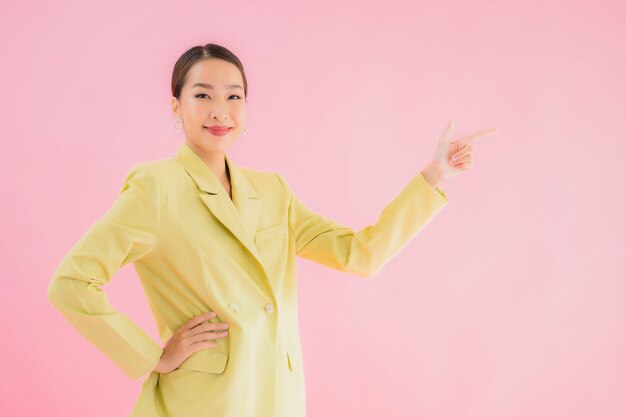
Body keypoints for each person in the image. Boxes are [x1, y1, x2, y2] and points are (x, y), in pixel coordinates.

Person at [47, 43, 498, 417]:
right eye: (203, 95)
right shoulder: (156, 188)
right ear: (176, 106)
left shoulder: (272, 191)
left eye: (234, 96)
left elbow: (361, 254)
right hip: (205, 403)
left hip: (277, 399)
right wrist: (153, 355)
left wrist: (434, 176)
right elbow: (72, 284)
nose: (220, 110)